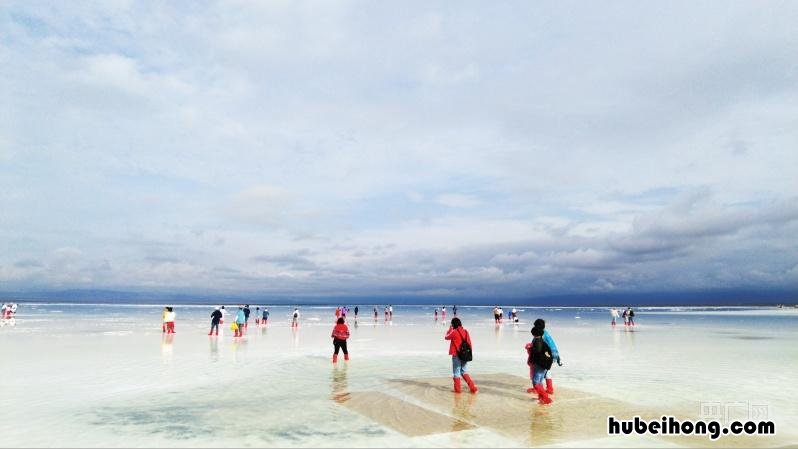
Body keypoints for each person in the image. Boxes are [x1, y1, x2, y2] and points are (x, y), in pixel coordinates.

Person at [445, 318, 478, 394]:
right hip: (465, 355)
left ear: (453, 324)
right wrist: (468, 354)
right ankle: (473, 388)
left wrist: (450, 329)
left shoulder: (454, 332)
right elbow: (469, 344)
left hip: (456, 355)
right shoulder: (466, 332)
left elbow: (446, 337)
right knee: (464, 371)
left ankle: (457, 391)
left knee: (456, 372)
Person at [533, 319, 561, 395]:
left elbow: (541, 346)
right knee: (544, 373)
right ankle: (548, 389)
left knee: (543, 373)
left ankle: (546, 390)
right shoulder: (544, 333)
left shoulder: (542, 334)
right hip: (551, 356)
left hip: (547, 357)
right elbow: (552, 345)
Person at [526, 327, 553, 404]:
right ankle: (541, 397)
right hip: (544, 364)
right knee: (540, 380)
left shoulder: (537, 341)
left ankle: (545, 398)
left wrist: (529, 348)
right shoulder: (542, 341)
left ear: (533, 334)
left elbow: (537, 351)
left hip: (539, 364)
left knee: (535, 381)